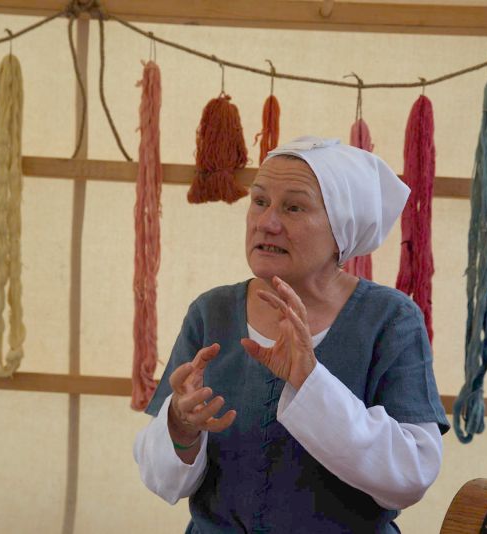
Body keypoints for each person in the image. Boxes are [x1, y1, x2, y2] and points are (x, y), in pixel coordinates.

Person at [134, 136, 450, 533]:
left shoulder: (390, 319)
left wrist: (310, 380)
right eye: (260, 201)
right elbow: (162, 481)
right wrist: (180, 425)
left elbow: (411, 474)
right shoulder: (211, 312)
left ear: (341, 227)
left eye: (294, 207)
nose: (267, 222)